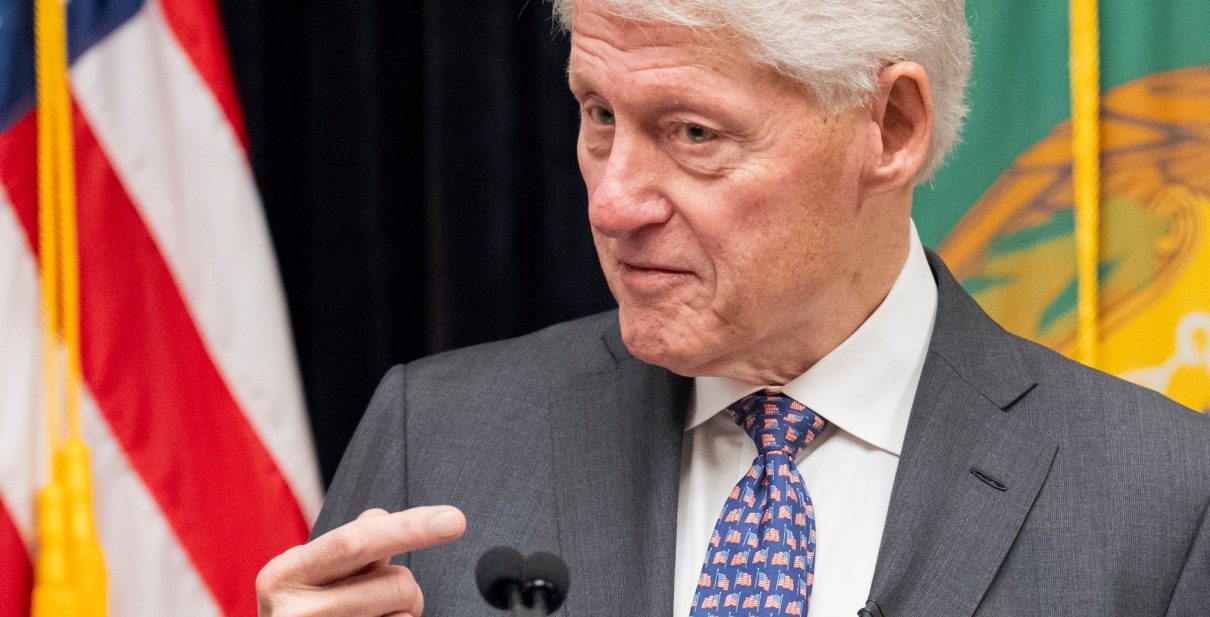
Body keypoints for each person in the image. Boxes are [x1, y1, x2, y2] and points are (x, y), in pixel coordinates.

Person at [256, 0, 1210, 615]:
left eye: (692, 132)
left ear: (892, 127)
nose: (613, 202)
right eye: (598, 115)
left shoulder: (1163, 500)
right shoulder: (438, 436)